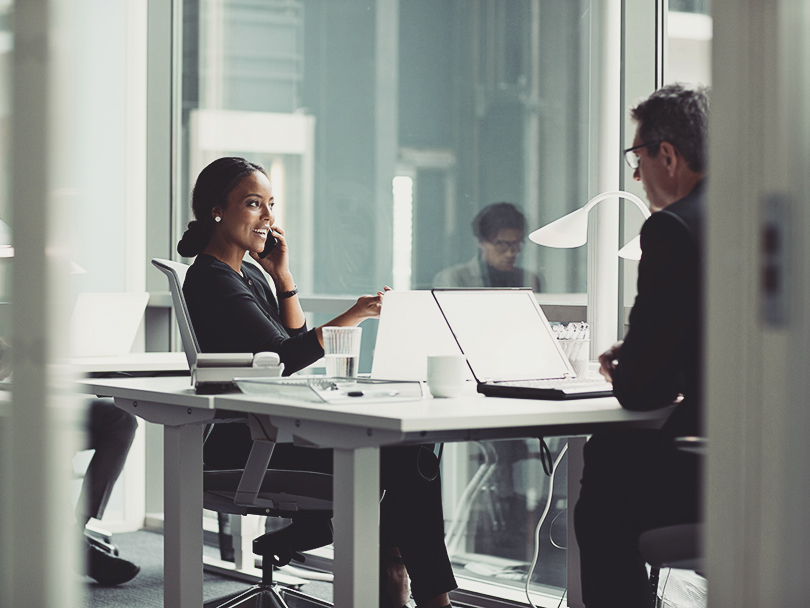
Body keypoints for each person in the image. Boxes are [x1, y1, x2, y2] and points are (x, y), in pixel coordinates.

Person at [178, 157, 457, 608]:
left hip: (271, 431)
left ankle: (392, 579)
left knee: (410, 453)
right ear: (217, 209)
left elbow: (290, 338)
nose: (268, 218)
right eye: (254, 204)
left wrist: (282, 276)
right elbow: (290, 357)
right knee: (406, 458)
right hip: (244, 443)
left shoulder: (246, 273)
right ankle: (422, 594)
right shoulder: (212, 280)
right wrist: (359, 312)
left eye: (271, 204)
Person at [573, 84, 708, 607]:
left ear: (667, 155)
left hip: (714, 468)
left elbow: (643, 391)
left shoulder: (672, 228)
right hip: (783, 463)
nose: (635, 174)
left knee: (603, 481)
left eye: (637, 157)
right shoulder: (765, 215)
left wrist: (623, 368)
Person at [432, 202, 541, 291]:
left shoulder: (528, 280)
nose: (510, 253)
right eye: (501, 244)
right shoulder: (455, 278)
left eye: (516, 243)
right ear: (481, 241)